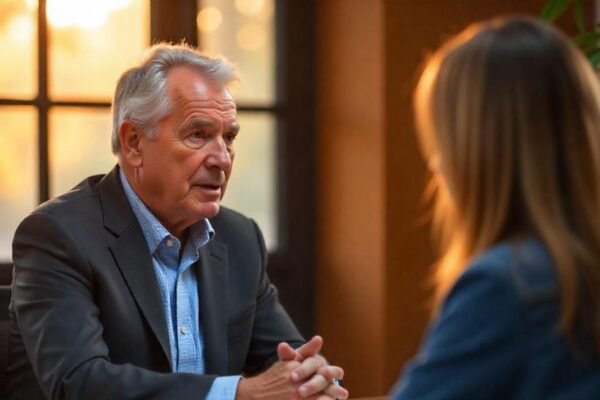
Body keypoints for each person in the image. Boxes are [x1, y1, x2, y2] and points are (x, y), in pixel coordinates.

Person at [5, 43, 347, 400]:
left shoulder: (240, 237)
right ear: (134, 143)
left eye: (229, 137)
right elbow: (81, 384)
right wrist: (238, 395)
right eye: (198, 135)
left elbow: (290, 361)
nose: (222, 159)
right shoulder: (58, 235)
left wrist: (314, 382)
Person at [391, 16, 600, 399]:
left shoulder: (505, 286)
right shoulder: (573, 270)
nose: (436, 165)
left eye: (443, 141)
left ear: (476, 152)